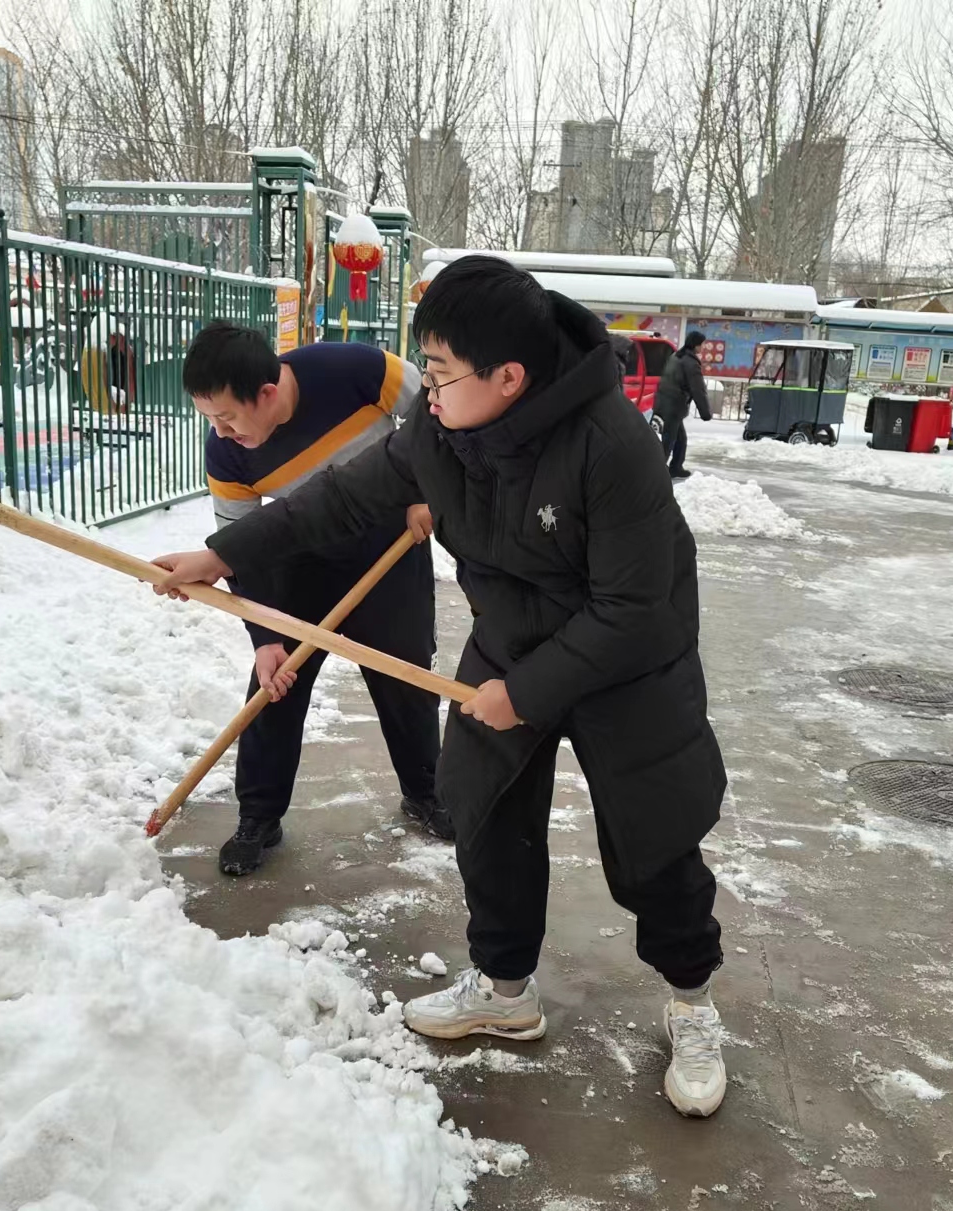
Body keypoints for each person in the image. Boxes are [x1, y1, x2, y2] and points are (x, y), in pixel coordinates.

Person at [154, 259, 730, 1118]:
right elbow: (338, 498)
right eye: (426, 365)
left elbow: (634, 609)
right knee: (484, 812)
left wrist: (525, 692)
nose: (427, 386)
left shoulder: (612, 445)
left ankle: (691, 999)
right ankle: (505, 988)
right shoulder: (439, 428)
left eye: (442, 369)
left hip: (630, 663)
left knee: (653, 833)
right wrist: (222, 553)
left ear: (509, 377)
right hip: (512, 637)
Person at [181, 321, 454, 876]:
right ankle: (259, 816)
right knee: (275, 686)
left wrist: (427, 491)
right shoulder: (228, 456)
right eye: (209, 419)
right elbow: (241, 548)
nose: (220, 433)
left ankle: (426, 793)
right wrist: (265, 638)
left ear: (267, 393)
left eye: (227, 418)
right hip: (298, 561)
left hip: (389, 548)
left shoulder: (356, 369)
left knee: (406, 676)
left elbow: (437, 409)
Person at [652, 330, 713, 480]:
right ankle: (655, 472)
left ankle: (676, 467)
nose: (703, 347)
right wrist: (705, 413)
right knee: (669, 440)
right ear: (696, 345)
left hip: (665, 402)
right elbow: (698, 389)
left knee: (680, 439)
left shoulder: (676, 356)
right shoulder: (690, 363)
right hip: (674, 405)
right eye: (702, 344)